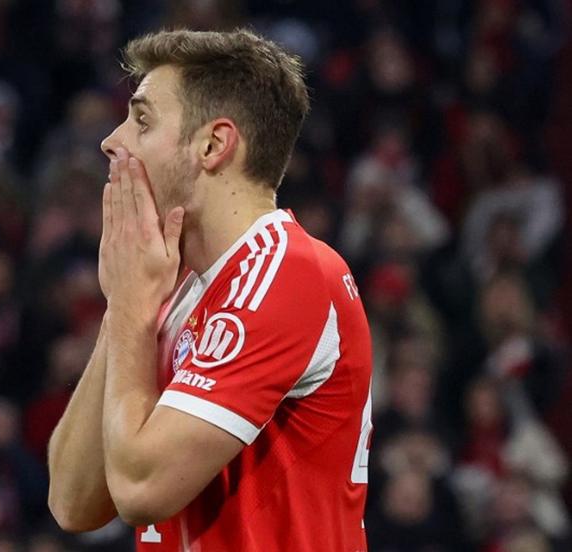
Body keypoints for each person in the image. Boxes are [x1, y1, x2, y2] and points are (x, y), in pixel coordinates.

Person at [47, 29, 373, 551]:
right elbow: (72, 501)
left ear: (213, 145)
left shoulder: (289, 272)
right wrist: (125, 306)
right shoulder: (173, 286)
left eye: (142, 120)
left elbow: (141, 489)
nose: (113, 141)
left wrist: (130, 305)